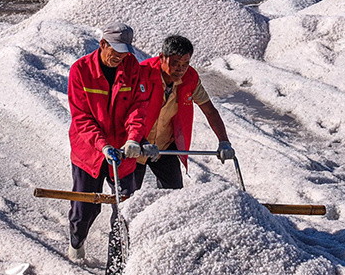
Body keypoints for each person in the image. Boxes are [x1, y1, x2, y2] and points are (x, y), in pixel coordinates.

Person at [66, 22, 149, 261]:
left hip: (123, 153)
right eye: (116, 52)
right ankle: (77, 239)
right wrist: (102, 145)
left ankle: (118, 262)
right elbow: (81, 117)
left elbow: (138, 107)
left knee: (124, 209)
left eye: (125, 53)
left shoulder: (133, 68)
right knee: (85, 208)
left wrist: (134, 138)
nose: (120, 58)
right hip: (89, 152)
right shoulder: (80, 70)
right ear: (103, 44)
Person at [135, 35, 234, 191]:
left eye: (185, 64)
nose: (180, 69)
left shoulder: (190, 79)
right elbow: (126, 112)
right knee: (127, 198)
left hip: (164, 146)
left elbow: (210, 111)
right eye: (175, 63)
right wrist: (139, 141)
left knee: (174, 195)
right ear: (162, 57)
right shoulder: (142, 74)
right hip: (137, 145)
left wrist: (224, 141)